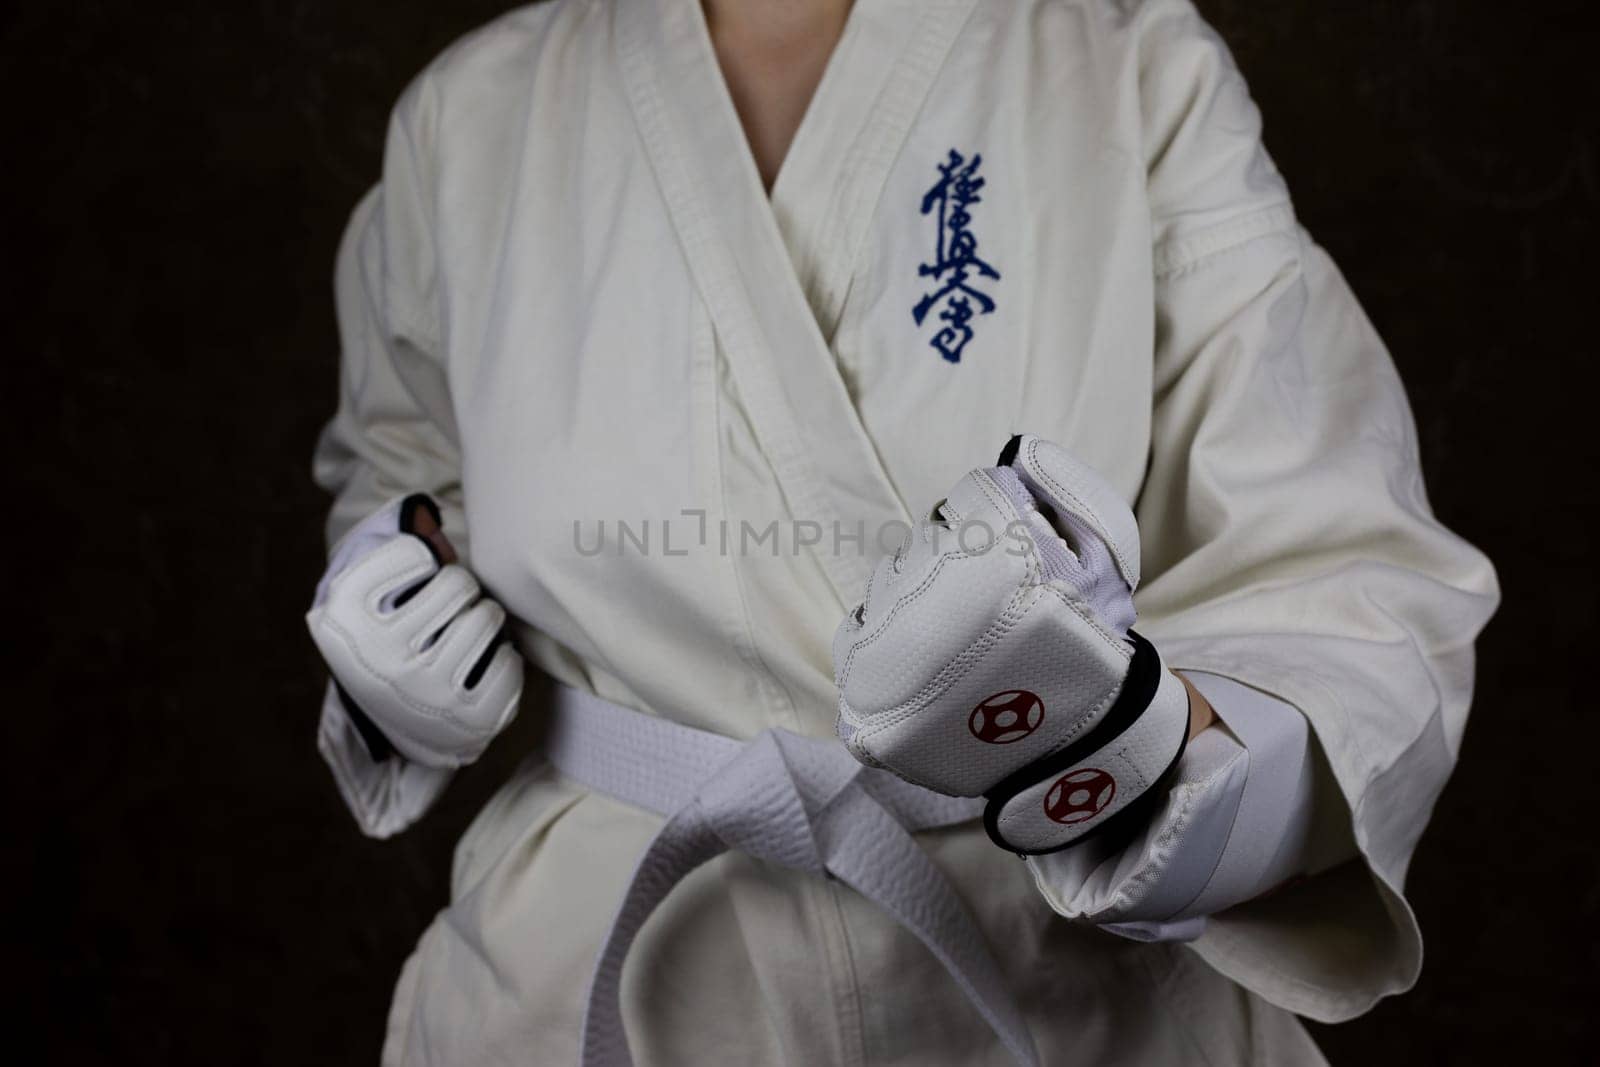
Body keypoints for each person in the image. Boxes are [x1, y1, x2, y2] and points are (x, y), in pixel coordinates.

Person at [304, 0, 1499, 1063]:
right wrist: (392, 617)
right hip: (584, 978)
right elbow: (407, 462)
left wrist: (1158, 781)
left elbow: (1339, 566)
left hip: (1068, 979)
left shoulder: (1122, 59)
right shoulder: (472, 115)